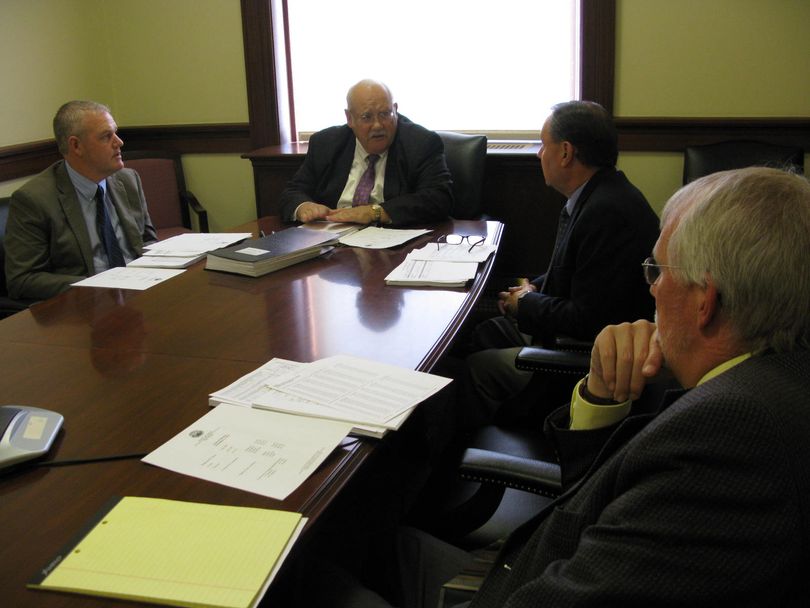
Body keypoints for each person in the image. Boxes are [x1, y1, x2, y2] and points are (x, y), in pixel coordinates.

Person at [309, 166, 810, 607]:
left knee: (303, 580)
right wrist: (601, 396)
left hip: (515, 584)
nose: (649, 289)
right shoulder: (762, 379)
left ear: (706, 302)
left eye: (657, 271)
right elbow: (603, 505)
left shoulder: (731, 439)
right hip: (533, 560)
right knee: (364, 540)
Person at [462, 100, 659, 427]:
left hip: (581, 360)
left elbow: (587, 319)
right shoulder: (599, 194)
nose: (540, 154)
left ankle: (484, 455)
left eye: (543, 145)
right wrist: (535, 285)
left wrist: (524, 303)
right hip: (567, 336)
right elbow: (579, 270)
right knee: (484, 333)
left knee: (475, 368)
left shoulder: (606, 213)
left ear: (566, 153)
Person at [5, 100, 157, 301]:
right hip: (84, 307)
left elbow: (146, 241)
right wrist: (100, 284)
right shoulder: (34, 199)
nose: (119, 142)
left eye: (116, 133)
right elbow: (23, 280)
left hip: (141, 294)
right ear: (76, 146)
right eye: (106, 136)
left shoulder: (127, 180)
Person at [279, 79, 453, 227]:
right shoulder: (326, 143)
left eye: (385, 114)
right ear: (349, 118)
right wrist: (303, 206)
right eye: (367, 117)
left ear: (395, 110)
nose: (377, 125)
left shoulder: (420, 143)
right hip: (331, 242)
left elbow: (439, 199)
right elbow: (293, 191)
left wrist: (375, 212)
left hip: (391, 245)